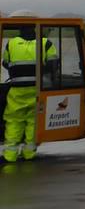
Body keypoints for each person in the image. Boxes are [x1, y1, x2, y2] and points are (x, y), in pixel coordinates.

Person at [2, 26, 54, 163]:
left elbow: (6, 63)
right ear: (36, 30)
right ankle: (29, 154)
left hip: (17, 89)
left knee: (14, 121)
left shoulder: (11, 43)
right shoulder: (45, 43)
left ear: (20, 31)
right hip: (37, 89)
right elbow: (53, 64)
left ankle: (10, 156)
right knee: (33, 122)